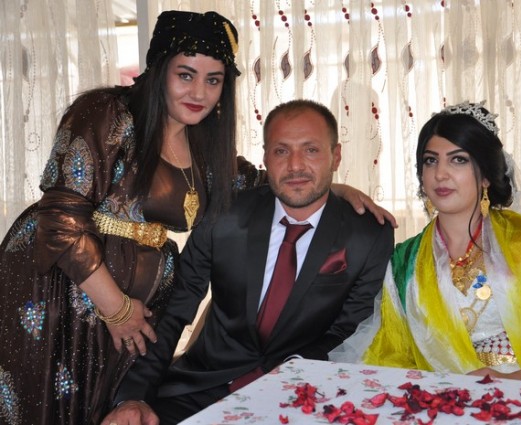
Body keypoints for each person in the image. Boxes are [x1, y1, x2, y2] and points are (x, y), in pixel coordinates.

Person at [0, 11, 393, 425]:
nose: (199, 92)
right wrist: (116, 308)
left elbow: (276, 181)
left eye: (213, 80)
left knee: (102, 412)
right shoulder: (108, 112)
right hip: (59, 291)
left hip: (129, 313)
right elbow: (59, 217)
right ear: (159, 70)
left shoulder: (205, 146)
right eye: (185, 75)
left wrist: (337, 189)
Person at [100, 99, 395, 425]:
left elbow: (349, 331)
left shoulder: (368, 235)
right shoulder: (223, 216)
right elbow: (175, 309)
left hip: (301, 393)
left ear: (335, 156)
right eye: (281, 151)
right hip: (204, 387)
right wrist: (134, 396)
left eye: (311, 150)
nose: (295, 165)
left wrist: (285, 377)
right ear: (266, 158)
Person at [329, 101, 521, 385]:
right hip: (444, 399)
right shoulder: (405, 262)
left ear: (486, 177)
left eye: (459, 160)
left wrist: (511, 383)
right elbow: (391, 357)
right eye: (431, 160)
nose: (440, 173)